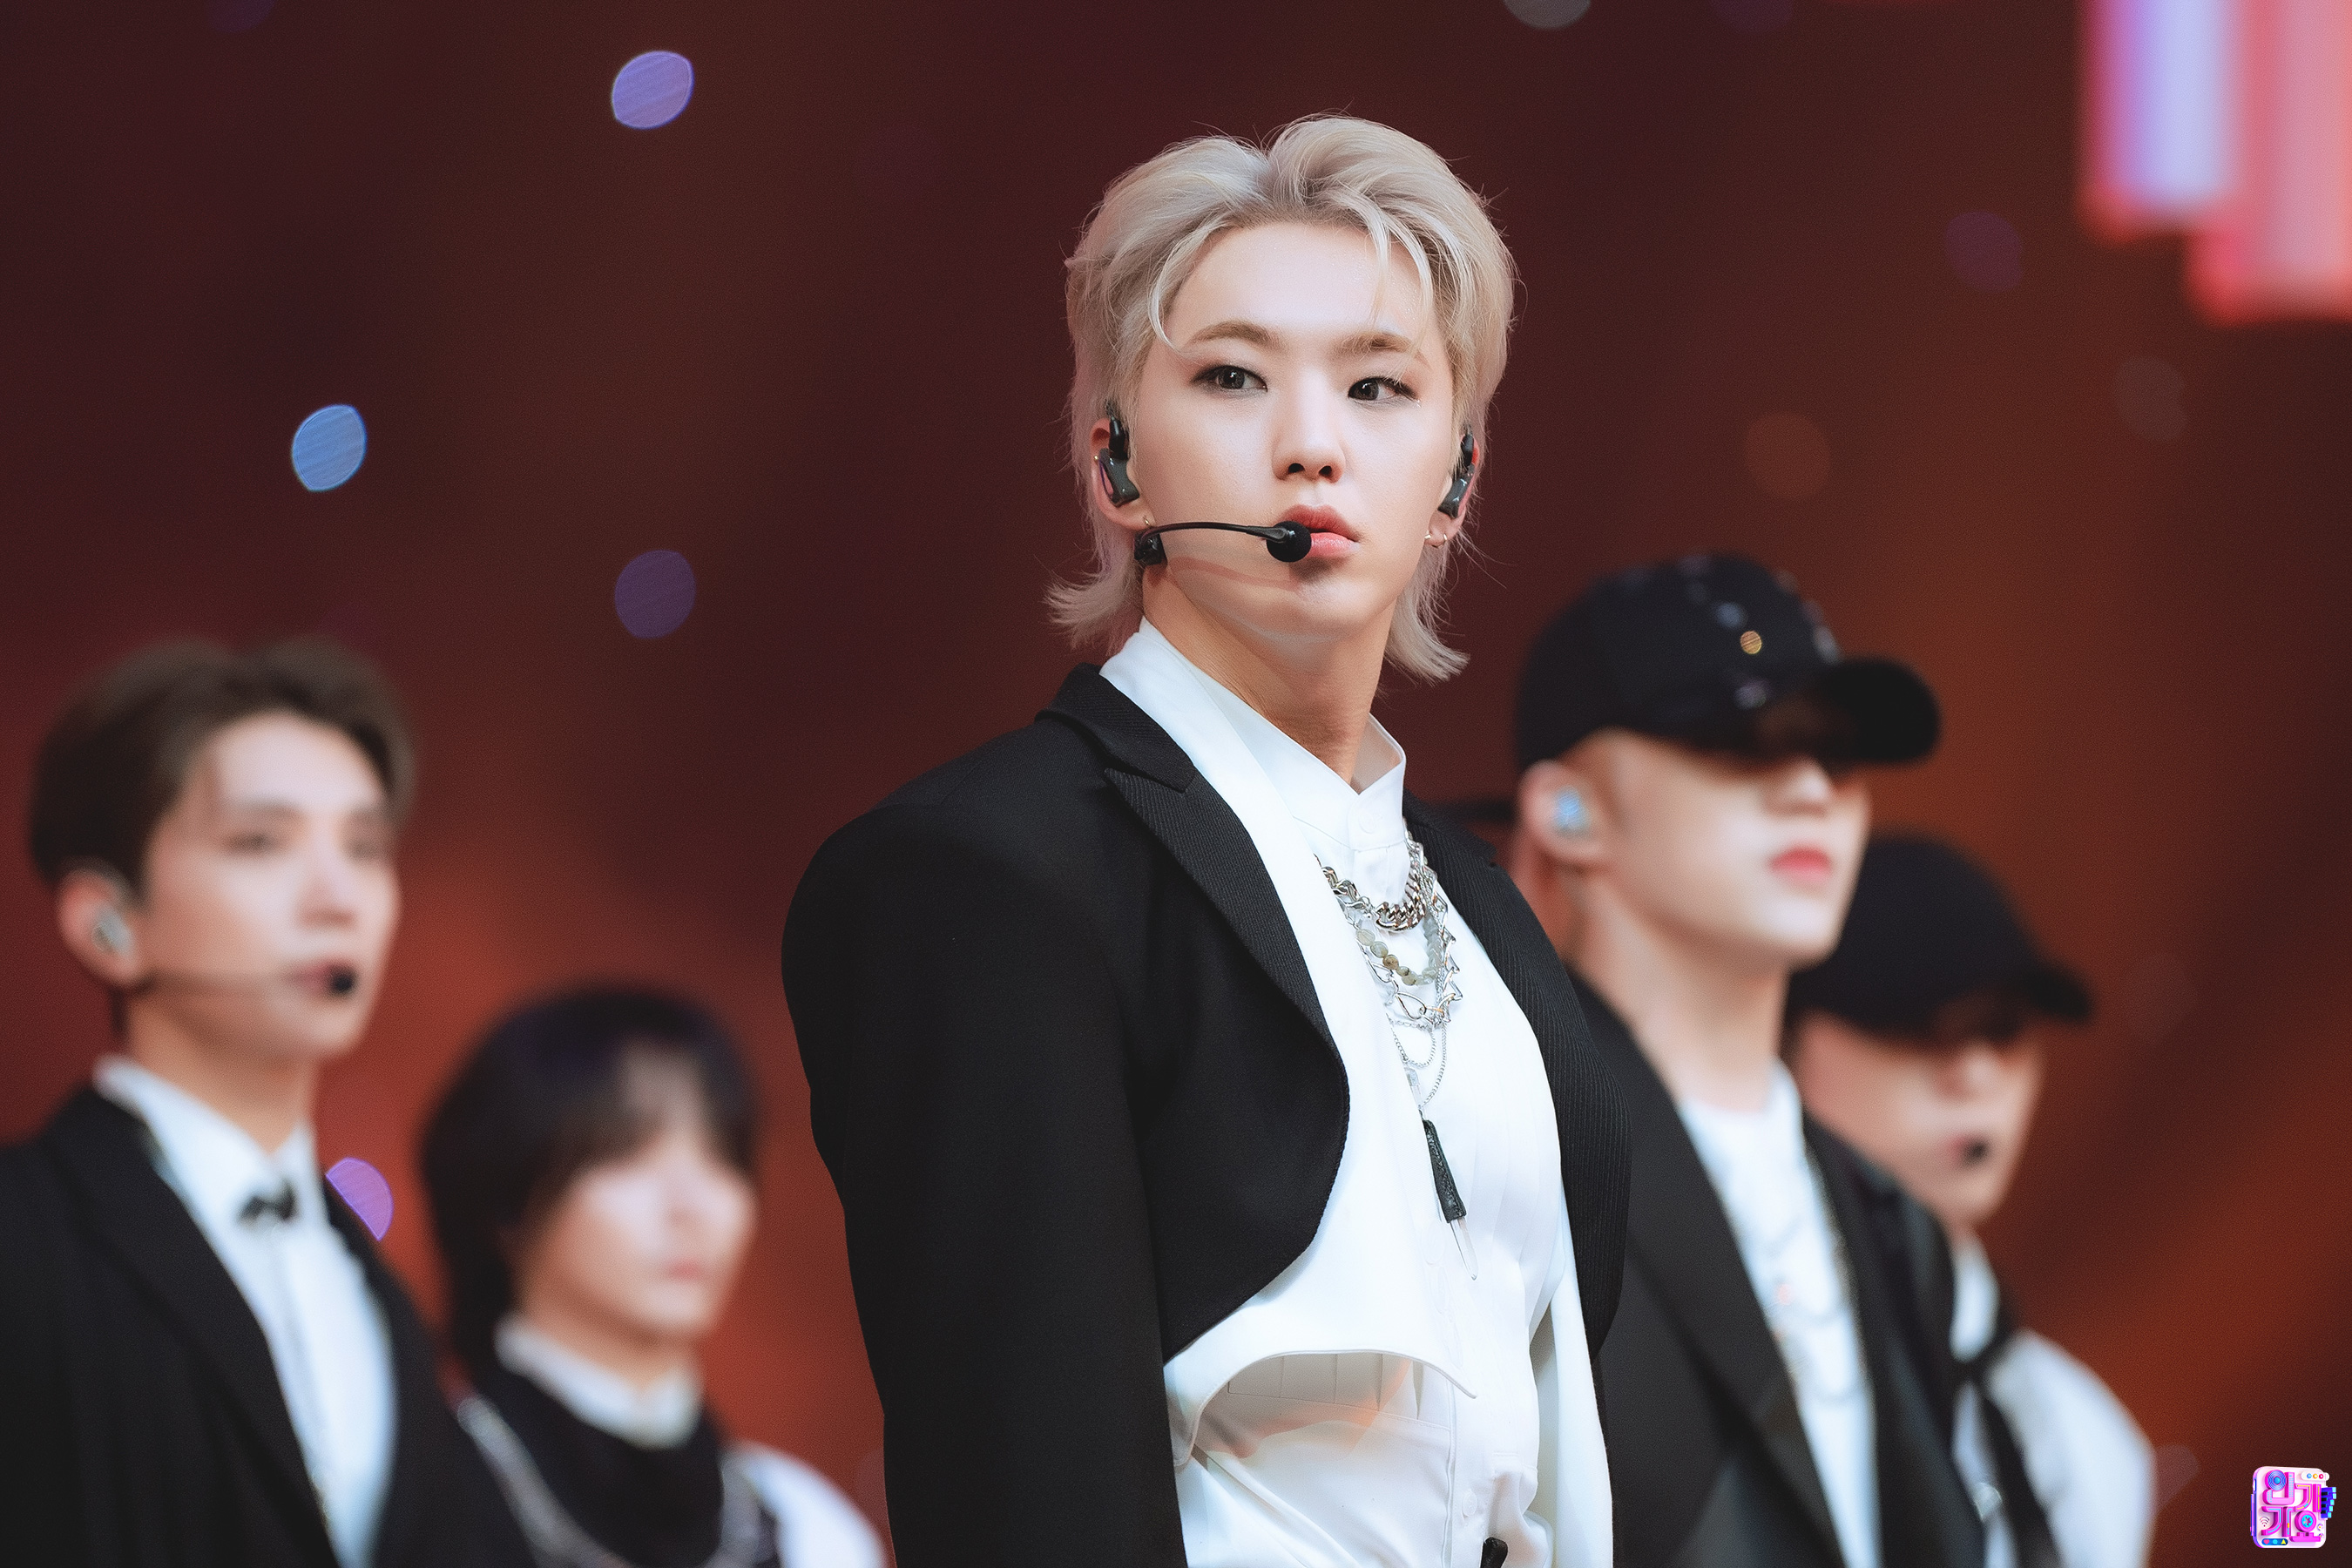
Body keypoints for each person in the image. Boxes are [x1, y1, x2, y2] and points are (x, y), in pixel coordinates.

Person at [783, 116, 1629, 1568]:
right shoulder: (988, 872)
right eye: (1232, 376)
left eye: (1378, 385)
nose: (1311, 443)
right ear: (1116, 462)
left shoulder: (1483, 908)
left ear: (1456, 479)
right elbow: (1019, 1486)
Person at [1505, 554, 1982, 1568]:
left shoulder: (1897, 1226)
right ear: (1568, 809)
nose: (1811, 790)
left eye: (1838, 754)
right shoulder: (1500, 1151)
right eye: (1737, 739)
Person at [0, 638, 490, 1568]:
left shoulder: (389, 1306)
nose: (339, 898)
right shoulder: (22, 1236)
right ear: (109, 923)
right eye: (260, 843)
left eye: (366, 848)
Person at [419, 986, 882, 1568]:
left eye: (722, 1157)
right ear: (507, 1200)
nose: (693, 1206)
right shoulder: (417, 1488)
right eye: (629, 1154)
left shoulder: (808, 1528)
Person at [1787, 835, 2154, 1568]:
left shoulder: (2089, 1444)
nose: (1977, 1074)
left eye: (2005, 1027)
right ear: (1782, 1032)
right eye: (1912, 1021)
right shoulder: (1728, 1370)